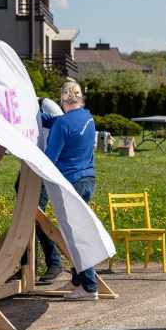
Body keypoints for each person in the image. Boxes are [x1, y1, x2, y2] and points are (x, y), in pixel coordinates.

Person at [0, 96, 66, 284]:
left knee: (36, 217)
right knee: (25, 218)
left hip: (45, 170)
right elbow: (1, 143)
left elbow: (64, 130)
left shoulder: (46, 106)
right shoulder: (10, 110)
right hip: (26, 172)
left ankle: (54, 262)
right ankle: (28, 266)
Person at [41, 81, 100, 301]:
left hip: (71, 183)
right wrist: (40, 118)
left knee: (75, 237)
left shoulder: (62, 125)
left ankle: (89, 286)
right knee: (80, 231)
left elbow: (51, 159)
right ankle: (78, 278)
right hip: (88, 180)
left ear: (62, 100)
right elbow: (63, 122)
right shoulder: (88, 116)